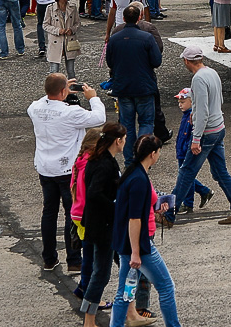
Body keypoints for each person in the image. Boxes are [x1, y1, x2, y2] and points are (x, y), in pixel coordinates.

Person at [27, 73, 106, 272]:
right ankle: (73, 259)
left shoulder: (35, 108)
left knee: (49, 212)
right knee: (72, 213)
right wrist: (93, 97)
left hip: (45, 168)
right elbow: (99, 118)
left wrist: (58, 89)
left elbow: (40, 100)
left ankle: (49, 258)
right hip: (67, 170)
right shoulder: (71, 113)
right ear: (64, 91)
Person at [168, 47, 231, 225]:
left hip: (206, 133)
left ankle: (168, 215)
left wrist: (196, 138)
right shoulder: (212, 72)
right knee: (221, 173)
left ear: (187, 61)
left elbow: (202, 111)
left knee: (186, 171)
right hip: (218, 128)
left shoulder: (197, 79)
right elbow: (217, 101)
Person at [108, 134, 181, 327]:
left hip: (125, 242)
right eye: (158, 152)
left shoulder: (132, 173)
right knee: (166, 287)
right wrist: (135, 252)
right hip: (139, 243)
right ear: (152, 154)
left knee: (125, 292)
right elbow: (134, 218)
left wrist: (156, 208)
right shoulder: (139, 179)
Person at [78, 123, 143, 327]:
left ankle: (130, 311)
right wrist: (116, 210)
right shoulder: (105, 164)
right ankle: (89, 320)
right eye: (124, 139)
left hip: (104, 226)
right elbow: (95, 193)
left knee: (127, 268)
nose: (125, 143)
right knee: (103, 273)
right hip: (104, 228)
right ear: (118, 141)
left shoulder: (102, 160)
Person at [105, 4, 161, 165]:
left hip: (123, 87)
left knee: (127, 125)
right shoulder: (147, 38)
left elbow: (110, 62)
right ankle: (142, 156)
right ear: (139, 18)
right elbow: (156, 61)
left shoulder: (115, 38)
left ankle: (129, 160)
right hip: (144, 86)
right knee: (146, 122)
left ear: (123, 18)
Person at [172, 88, 213, 215]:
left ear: (192, 102)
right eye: (179, 102)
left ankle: (188, 203)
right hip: (182, 150)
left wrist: (185, 148)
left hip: (185, 151)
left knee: (185, 177)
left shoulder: (192, 116)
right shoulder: (186, 115)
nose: (180, 105)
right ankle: (204, 191)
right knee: (185, 176)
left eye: (183, 102)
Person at [42, 0, 80, 78]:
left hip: (69, 41)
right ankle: (53, 91)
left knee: (71, 71)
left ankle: (72, 90)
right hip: (56, 41)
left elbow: (78, 23)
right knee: (54, 71)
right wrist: (58, 30)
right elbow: (45, 25)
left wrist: (72, 29)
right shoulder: (50, 8)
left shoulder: (73, 7)